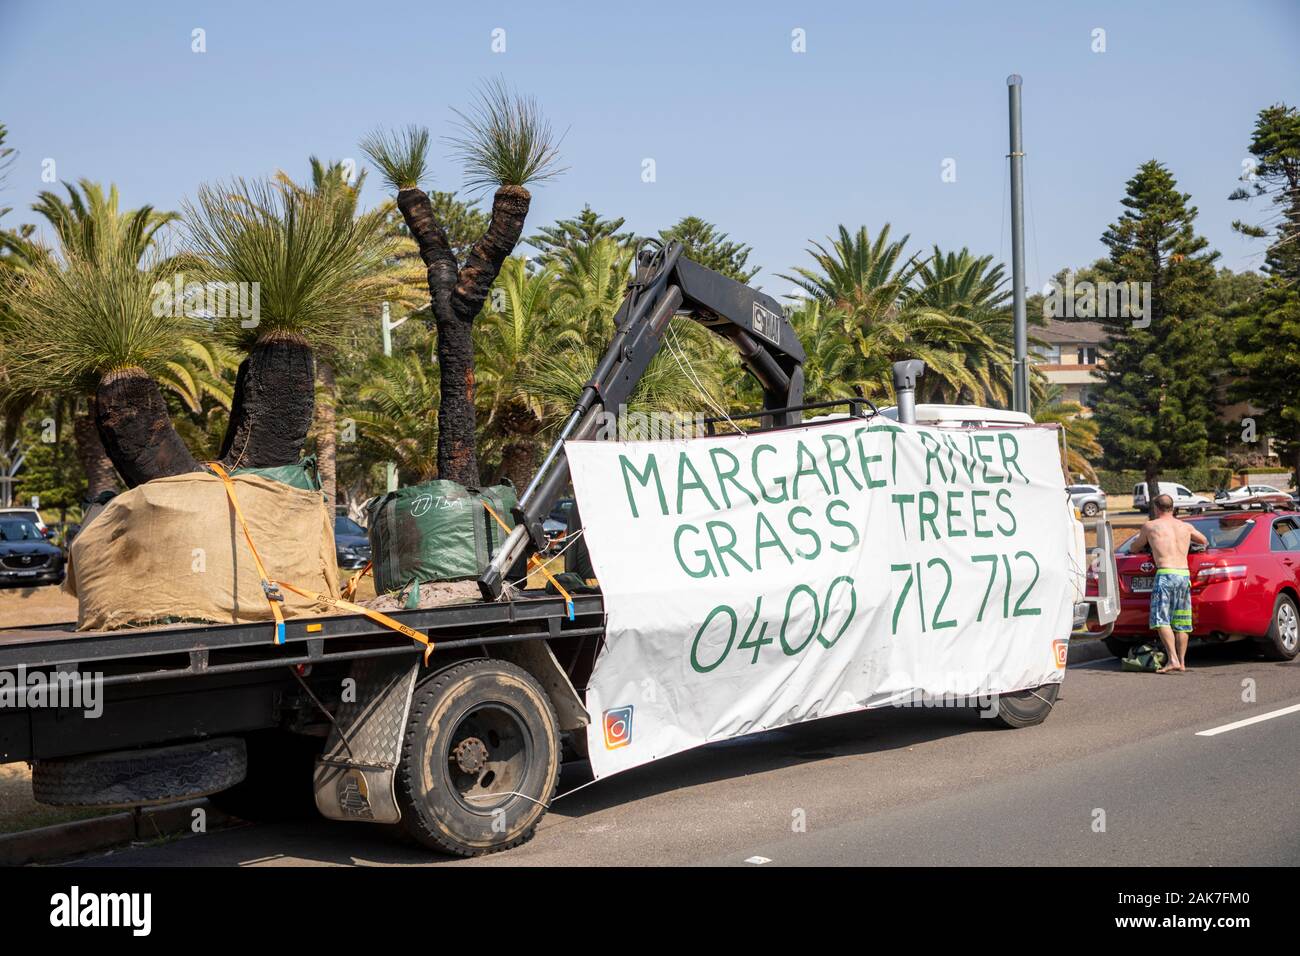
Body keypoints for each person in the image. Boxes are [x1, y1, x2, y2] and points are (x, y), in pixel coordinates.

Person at [1128, 494, 1207, 672]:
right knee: (1181, 620)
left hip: (1165, 574)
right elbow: (1203, 540)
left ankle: (1172, 659)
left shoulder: (1151, 526)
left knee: (1161, 619)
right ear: (1173, 508)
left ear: (1156, 508)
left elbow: (1135, 547)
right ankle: (1182, 661)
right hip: (1183, 574)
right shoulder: (1185, 526)